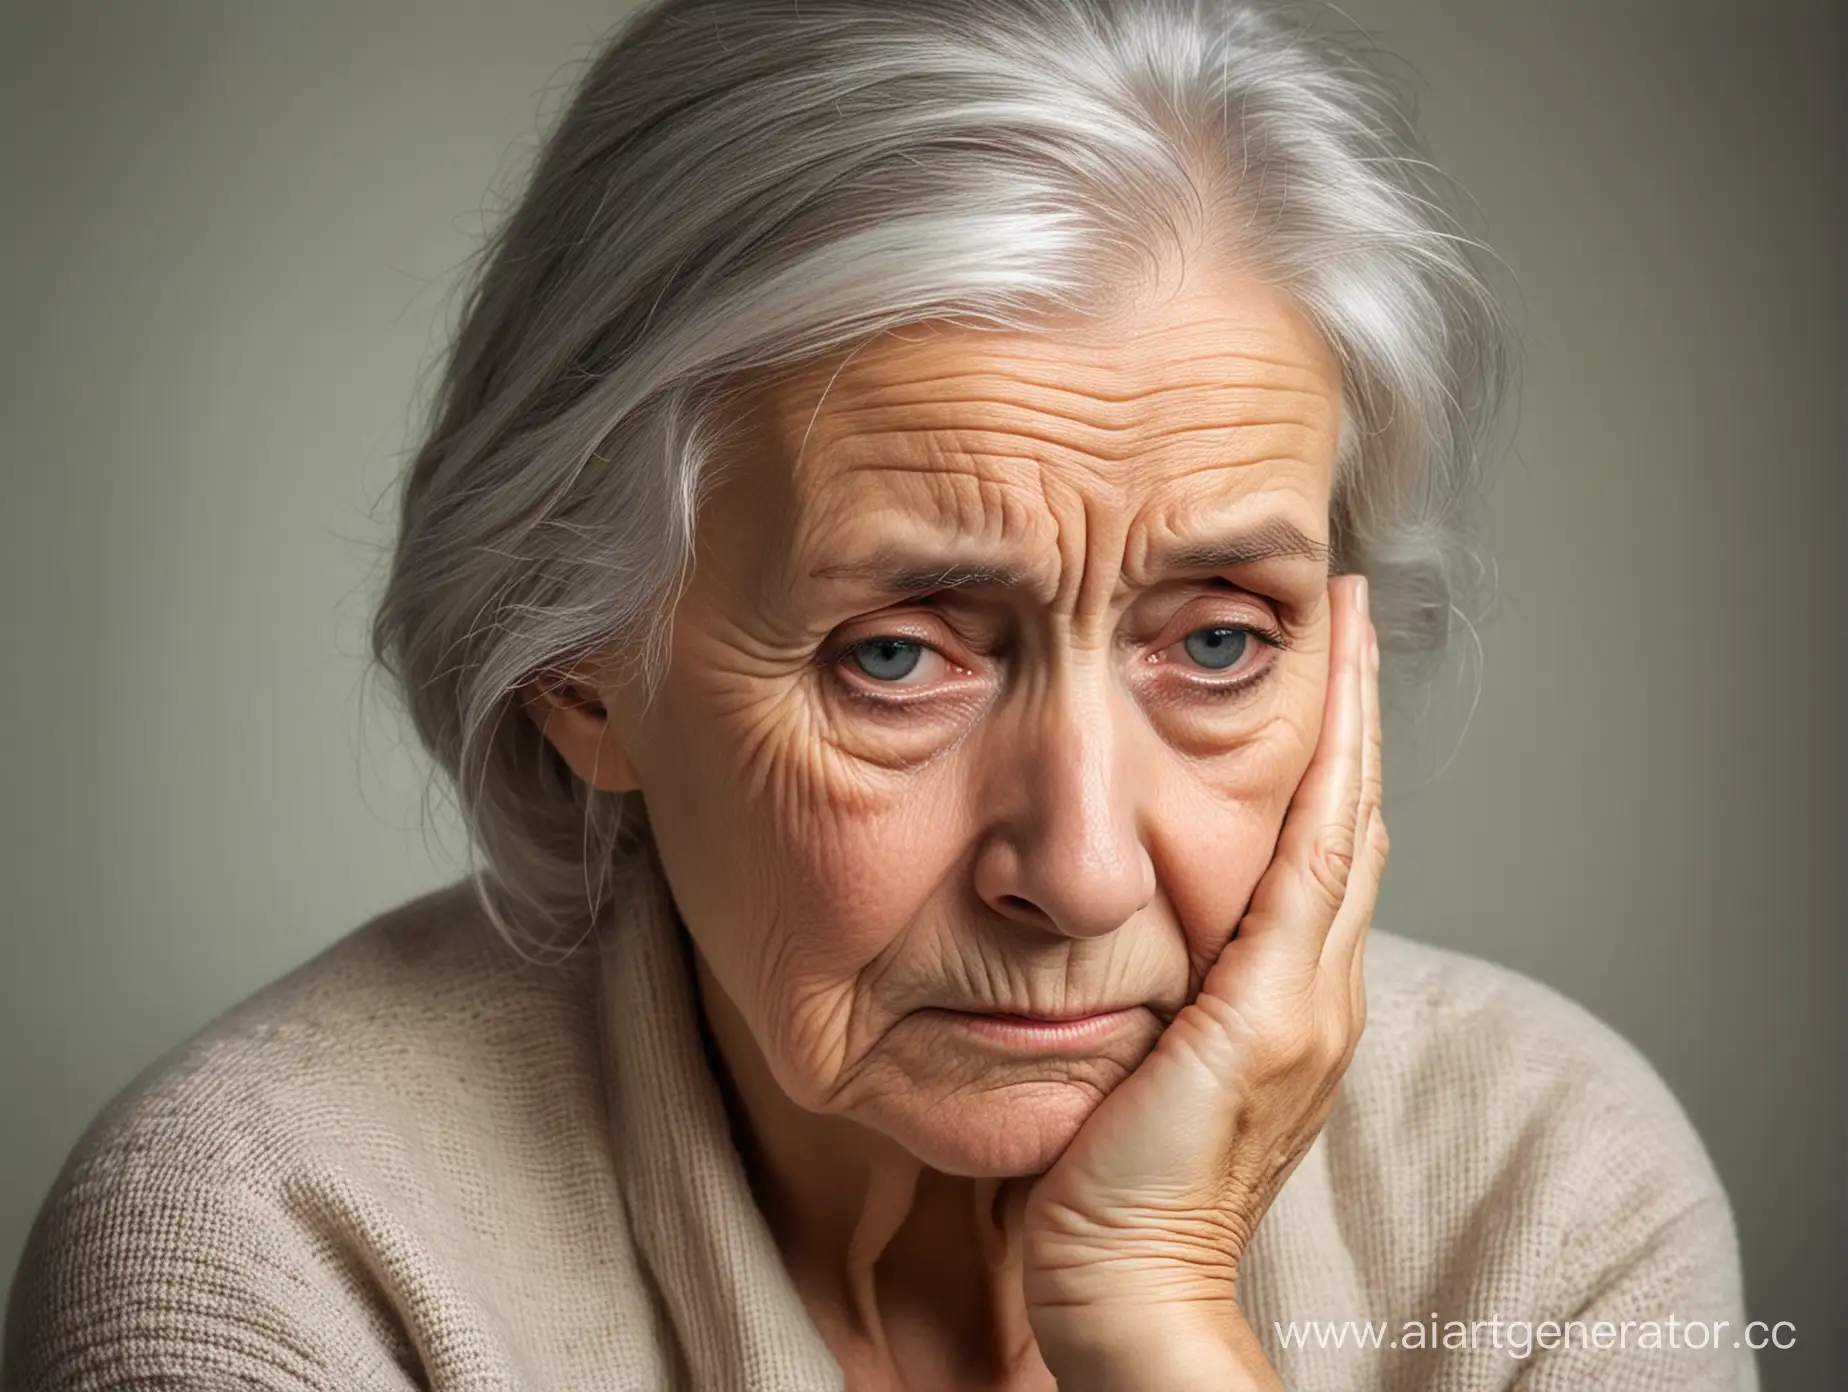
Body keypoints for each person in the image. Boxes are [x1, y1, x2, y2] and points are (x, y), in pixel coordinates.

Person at [3, 0, 1756, 1388]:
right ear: (577, 669)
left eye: (1217, 640)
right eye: (898, 656)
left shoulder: (1546, 1190)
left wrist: (1154, 1326)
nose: (1080, 872)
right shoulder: (276, 1249)